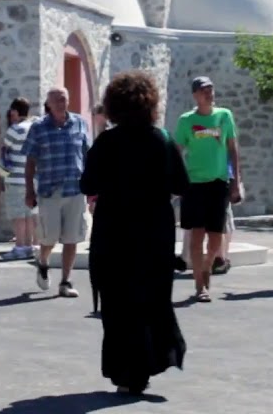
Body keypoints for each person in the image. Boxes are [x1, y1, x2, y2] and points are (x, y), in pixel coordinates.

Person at [80, 70, 189, 396]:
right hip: (154, 231)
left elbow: (87, 184)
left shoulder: (108, 142)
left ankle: (127, 372)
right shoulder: (163, 139)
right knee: (150, 298)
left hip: (114, 230)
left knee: (117, 302)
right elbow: (181, 185)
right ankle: (149, 363)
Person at [173, 76, 242, 303]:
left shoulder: (224, 116)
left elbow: (233, 149)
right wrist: (178, 179)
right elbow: (177, 151)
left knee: (215, 237)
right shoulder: (186, 120)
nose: (209, 93)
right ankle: (200, 286)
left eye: (211, 89)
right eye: (204, 90)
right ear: (195, 95)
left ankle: (206, 266)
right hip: (194, 184)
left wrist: (235, 180)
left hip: (218, 182)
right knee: (197, 235)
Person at [23, 86, 92, 297]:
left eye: (64, 98)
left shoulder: (80, 123)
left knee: (71, 238)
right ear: (49, 104)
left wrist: (93, 185)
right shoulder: (38, 127)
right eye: (57, 100)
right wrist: (29, 191)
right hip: (49, 191)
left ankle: (66, 281)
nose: (62, 103)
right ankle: (43, 261)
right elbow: (30, 160)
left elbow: (88, 155)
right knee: (49, 237)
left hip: (75, 188)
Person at [0, 98, 37, 261]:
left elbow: (5, 149)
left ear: (15, 111)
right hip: (33, 179)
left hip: (15, 179)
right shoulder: (35, 128)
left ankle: (20, 246)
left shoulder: (15, 130)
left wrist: (2, 175)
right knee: (30, 214)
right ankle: (30, 245)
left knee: (18, 215)